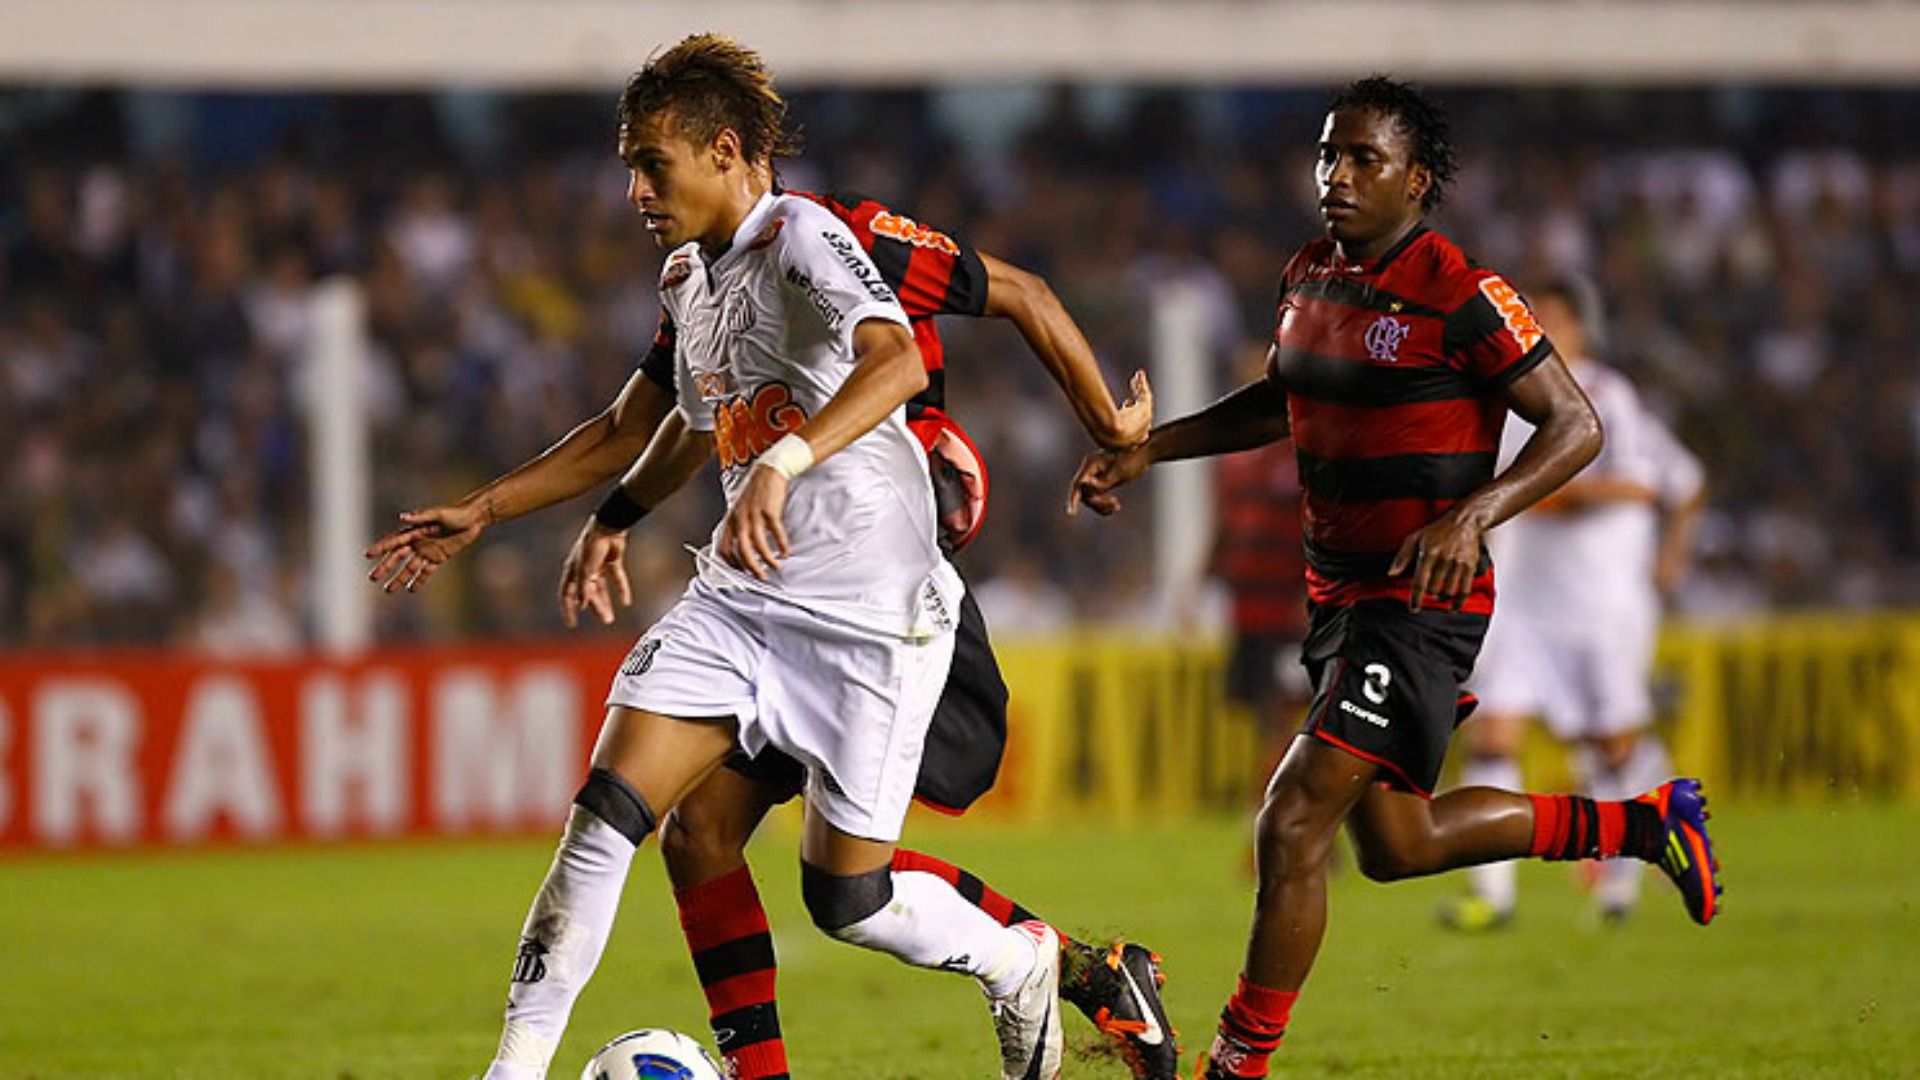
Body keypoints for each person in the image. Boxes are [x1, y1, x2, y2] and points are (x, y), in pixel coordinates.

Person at [363, 35, 1173, 1080]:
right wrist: (500, 508)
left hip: (874, 616)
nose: (632, 190)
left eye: (651, 164)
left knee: (846, 900)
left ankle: (1026, 961)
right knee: (628, 813)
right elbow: (647, 425)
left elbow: (905, 351)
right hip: (744, 600)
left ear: (726, 151)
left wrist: (1107, 423)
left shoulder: (817, 236)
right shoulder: (689, 277)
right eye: (627, 167)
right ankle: (517, 1072)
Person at [1067, 76, 1723, 1080]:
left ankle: (1237, 1065)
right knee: (1397, 846)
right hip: (1339, 595)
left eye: (1362, 158)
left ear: (1415, 179)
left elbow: (1575, 424)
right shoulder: (1310, 274)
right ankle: (1645, 821)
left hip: (1419, 603)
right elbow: (1283, 399)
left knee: (1291, 823)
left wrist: (1473, 515)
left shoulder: (1459, 289)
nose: (1337, 176)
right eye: (1329, 155)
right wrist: (1155, 448)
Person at [1440, 275, 1708, 931]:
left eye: (1554, 319)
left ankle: (1622, 882)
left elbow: (1644, 486)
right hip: (1523, 601)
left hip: (1600, 600)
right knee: (1493, 730)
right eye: (1534, 319)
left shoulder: (1607, 394)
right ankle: (1492, 898)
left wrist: (1551, 496)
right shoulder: (1506, 398)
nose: (1541, 330)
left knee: (1613, 745)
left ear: (1583, 329)